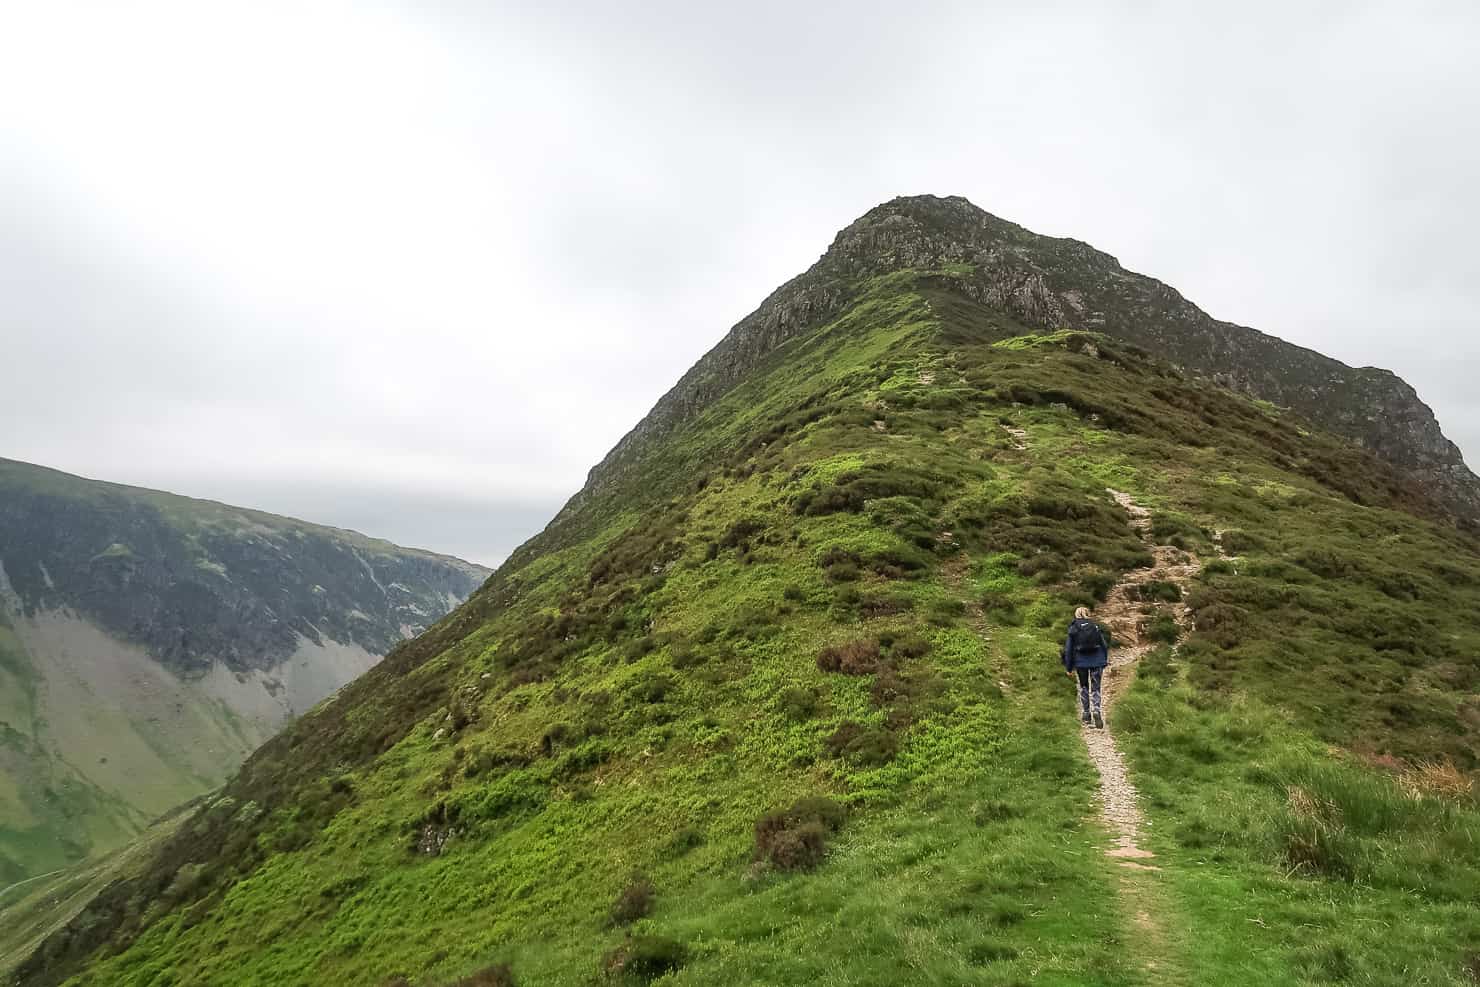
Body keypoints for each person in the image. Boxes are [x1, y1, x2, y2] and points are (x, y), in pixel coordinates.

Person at [1062, 606, 1108, 728]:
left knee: (1083, 687)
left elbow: (1068, 650)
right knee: (1096, 687)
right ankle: (1097, 710)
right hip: (1097, 661)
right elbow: (1104, 645)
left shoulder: (1073, 628)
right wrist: (1104, 661)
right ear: (1088, 613)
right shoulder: (1095, 626)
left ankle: (1086, 714)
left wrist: (1069, 667)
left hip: (1081, 662)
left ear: (1076, 614)